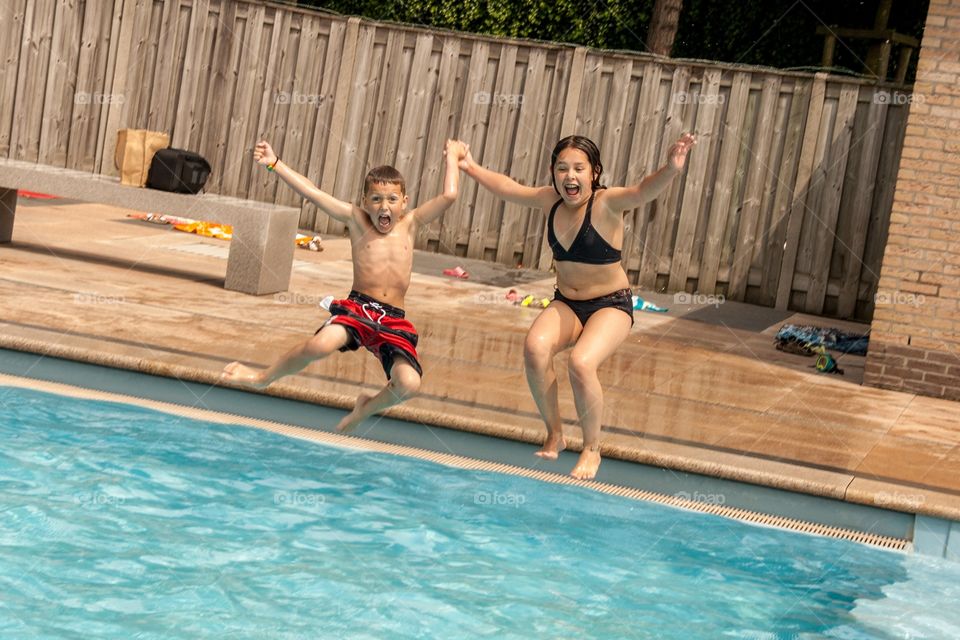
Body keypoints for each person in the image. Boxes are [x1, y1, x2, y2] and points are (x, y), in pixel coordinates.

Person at [459, 133, 695, 479]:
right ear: (553, 172)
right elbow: (506, 187)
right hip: (568, 302)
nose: (570, 176)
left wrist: (671, 169)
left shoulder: (607, 203)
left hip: (610, 306)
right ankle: (555, 433)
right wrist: (470, 166)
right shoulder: (548, 200)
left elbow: (643, 191)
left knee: (581, 363)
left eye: (579, 169)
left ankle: (592, 448)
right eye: (562, 168)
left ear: (594, 173)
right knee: (535, 348)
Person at [221, 139, 467, 433]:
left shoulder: (411, 224)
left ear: (405, 202)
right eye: (376, 199)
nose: (383, 206)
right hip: (359, 306)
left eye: (391, 199)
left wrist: (452, 156)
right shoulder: (356, 219)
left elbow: (450, 195)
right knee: (320, 344)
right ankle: (263, 377)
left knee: (409, 384)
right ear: (365, 202)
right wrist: (275, 164)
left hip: (393, 319)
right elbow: (313, 193)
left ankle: (367, 407)